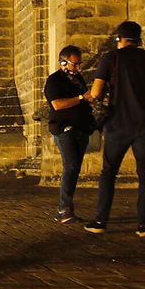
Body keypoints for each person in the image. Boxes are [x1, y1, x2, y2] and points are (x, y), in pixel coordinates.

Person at [84, 20, 145, 237]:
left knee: (109, 172)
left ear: (119, 39)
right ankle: (143, 224)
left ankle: (101, 220)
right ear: (138, 39)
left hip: (117, 125)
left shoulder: (111, 58)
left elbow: (95, 92)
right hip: (143, 124)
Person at [44, 45, 94, 223]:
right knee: (71, 166)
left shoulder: (77, 79)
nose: (78, 68)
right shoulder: (54, 81)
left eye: (79, 64)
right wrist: (82, 98)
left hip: (81, 129)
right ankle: (64, 208)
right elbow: (57, 104)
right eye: (75, 64)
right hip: (65, 130)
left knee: (74, 168)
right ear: (63, 62)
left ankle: (65, 209)